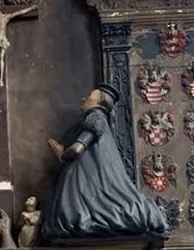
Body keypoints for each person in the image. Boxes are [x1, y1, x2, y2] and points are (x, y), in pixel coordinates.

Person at [42, 83, 168, 240]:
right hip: (87, 177)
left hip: (86, 180)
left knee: (76, 214)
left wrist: (61, 154)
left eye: (89, 97)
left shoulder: (94, 117)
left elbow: (77, 149)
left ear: (99, 103)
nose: (84, 99)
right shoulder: (100, 121)